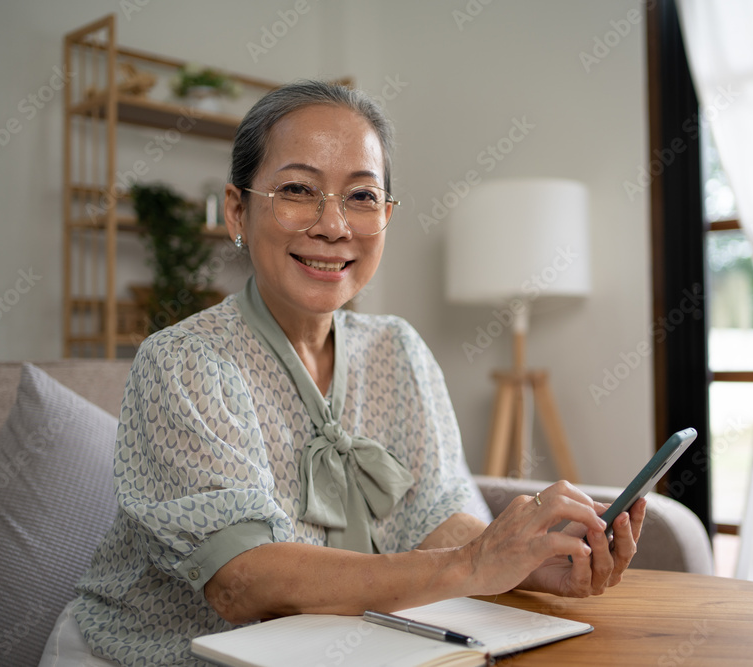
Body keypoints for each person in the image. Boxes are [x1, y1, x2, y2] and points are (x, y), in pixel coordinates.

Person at [38, 80, 645, 666]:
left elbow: (433, 512)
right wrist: (473, 565)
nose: (334, 225)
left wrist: (529, 564)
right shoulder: (183, 363)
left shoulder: (398, 350)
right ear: (236, 212)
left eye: (361, 196)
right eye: (299, 189)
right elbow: (242, 584)